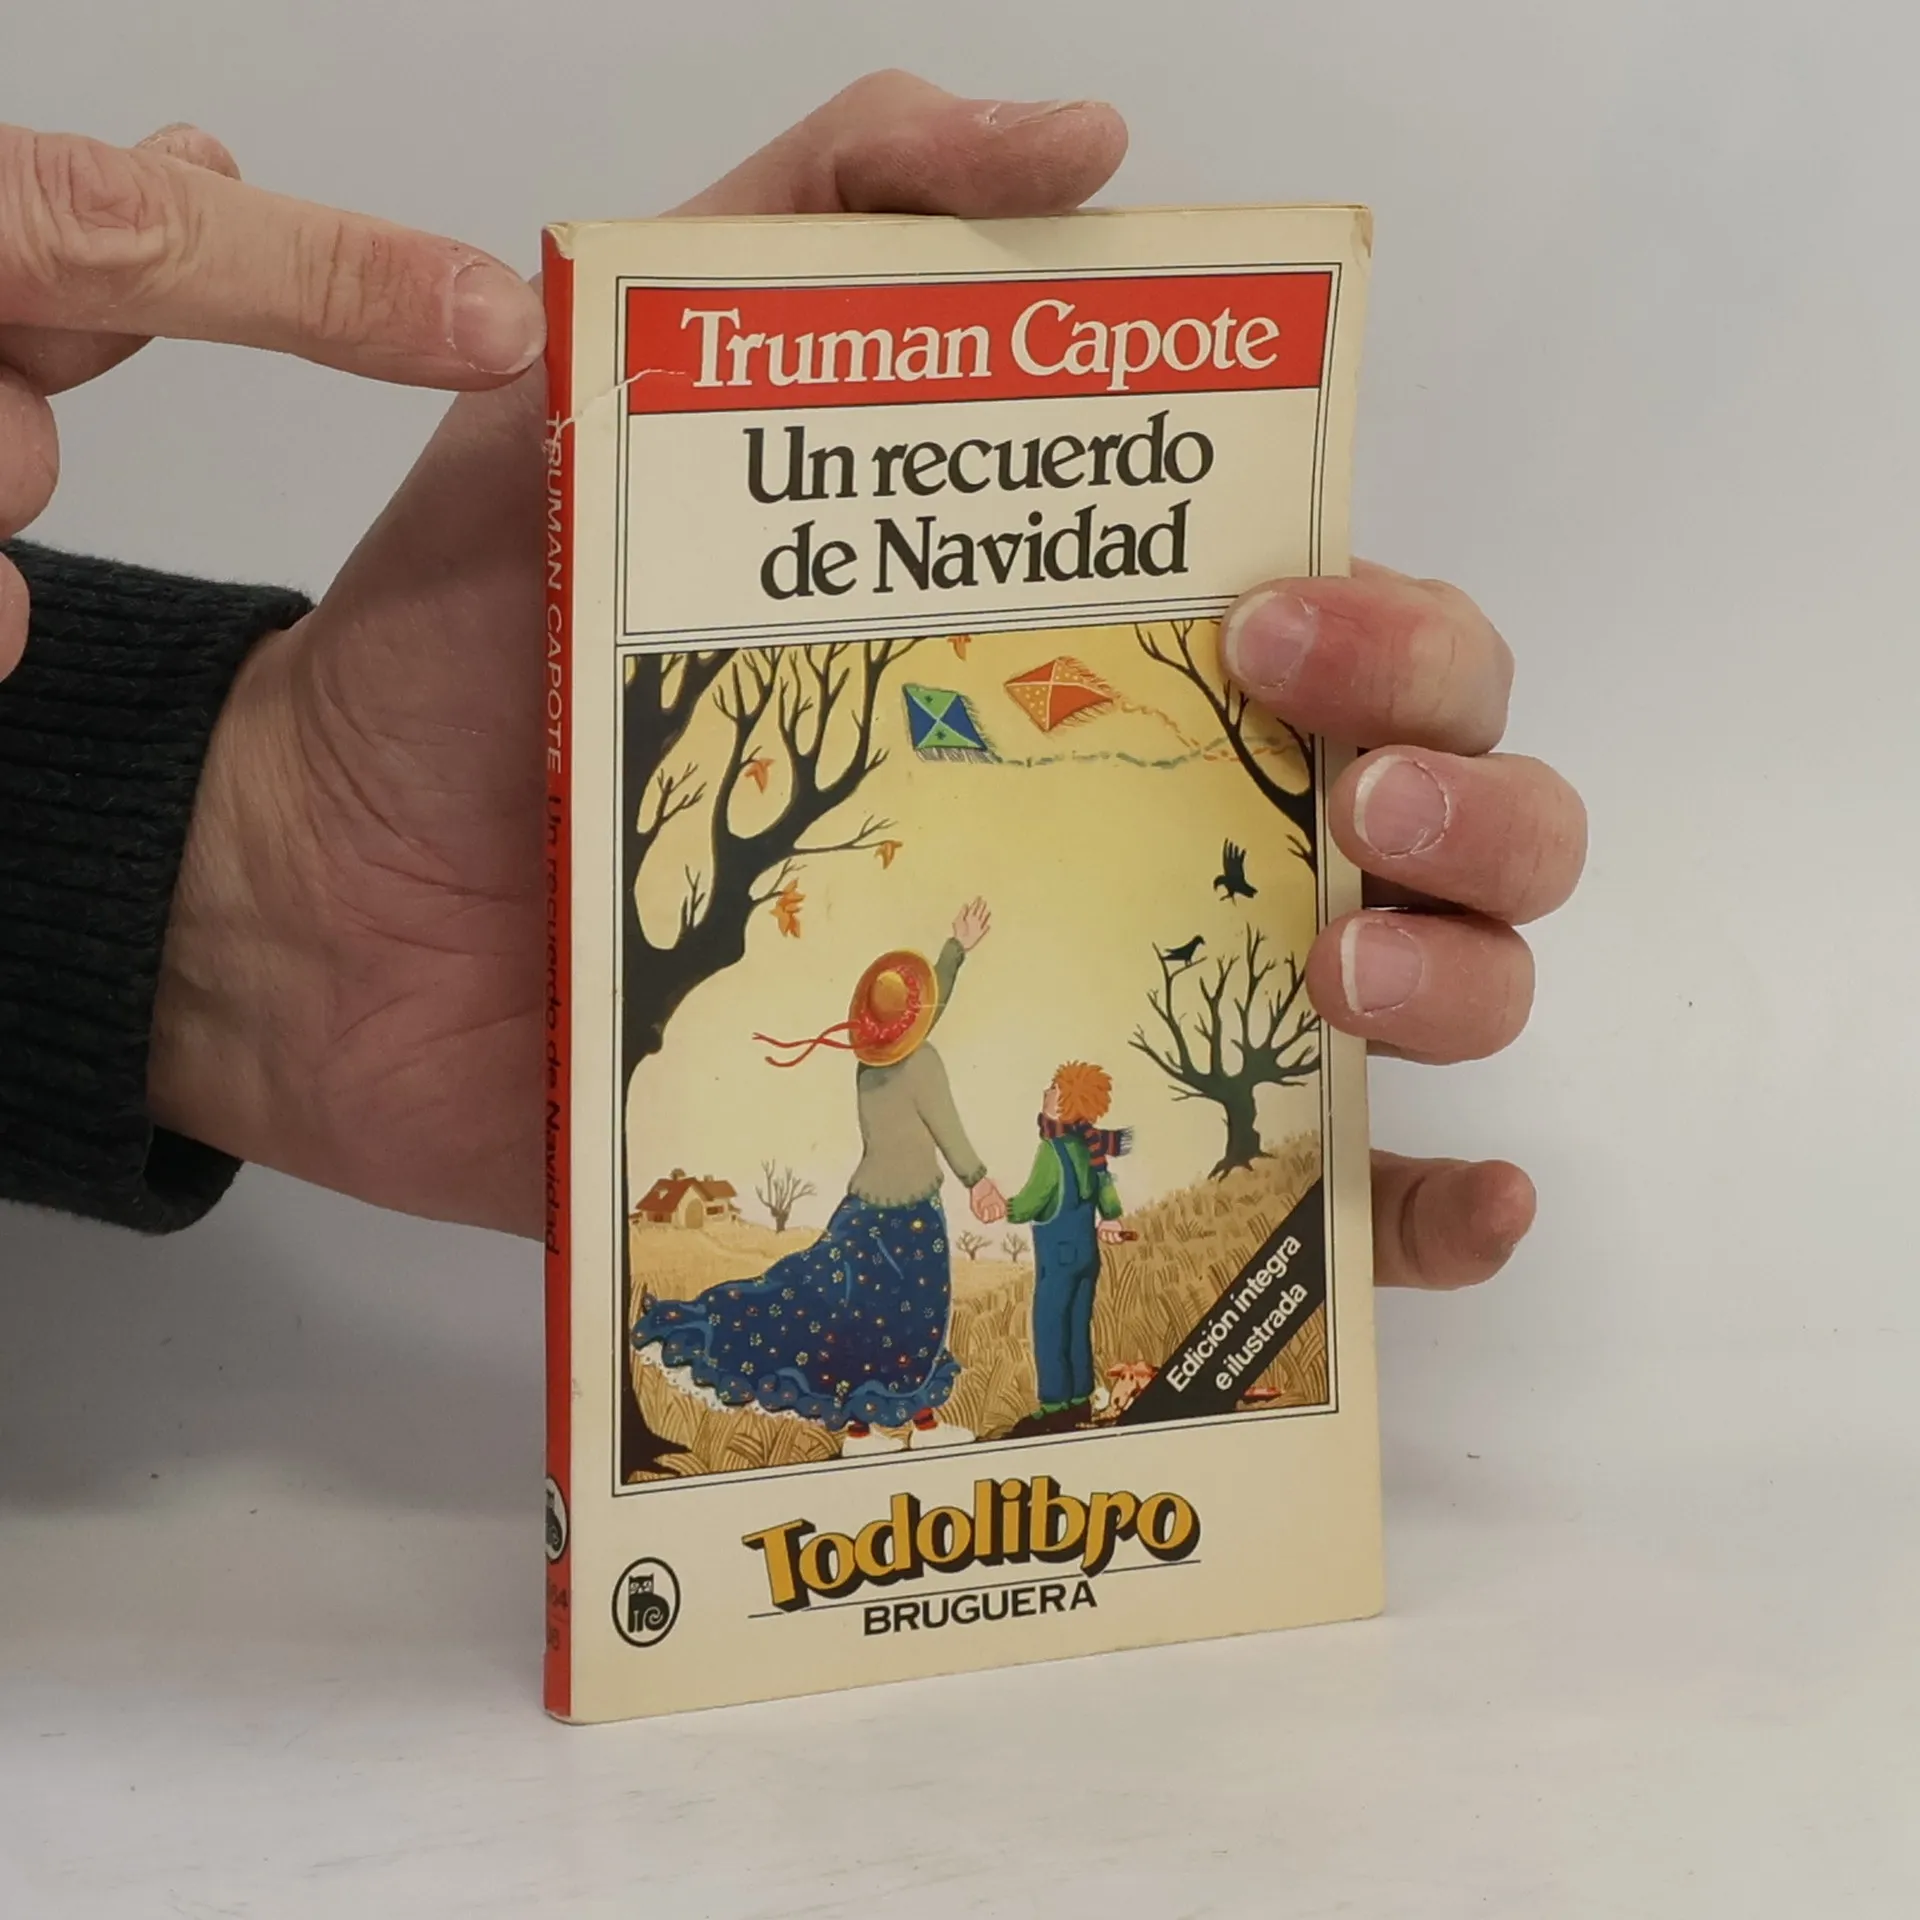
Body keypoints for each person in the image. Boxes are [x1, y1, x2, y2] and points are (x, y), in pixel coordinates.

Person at [0, 74, 1588, 1293]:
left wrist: (247, 845)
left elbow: (945, 1060)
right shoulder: (915, 1066)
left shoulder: (904, 1051)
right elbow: (952, 1118)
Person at [634, 900, 1003, 1455]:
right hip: (909, 1215)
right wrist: (978, 1180)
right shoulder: (923, 1062)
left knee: (850, 1318)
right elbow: (946, 1124)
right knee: (914, 1322)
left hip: (860, 1211)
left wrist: (955, 951)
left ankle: (861, 1433)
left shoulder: (871, 1063)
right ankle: (924, 1428)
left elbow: (924, 1015)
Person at [1004, 1063, 1133, 1439]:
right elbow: (1105, 1186)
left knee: (1050, 1327)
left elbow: (1033, 1200)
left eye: (1053, 1087)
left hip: (1058, 1257)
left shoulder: (1053, 1150)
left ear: (1063, 1101)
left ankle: (1055, 1407)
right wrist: (1112, 1218)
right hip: (1087, 1255)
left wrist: (1005, 1208)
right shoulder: (1088, 1145)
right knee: (1078, 1327)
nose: (1046, 1091)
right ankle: (1080, 1398)